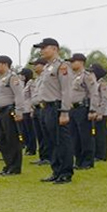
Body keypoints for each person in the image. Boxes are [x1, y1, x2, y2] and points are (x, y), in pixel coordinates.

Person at [34, 38, 75, 184]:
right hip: (46, 107)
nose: (42, 50)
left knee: (62, 141)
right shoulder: (47, 67)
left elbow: (66, 90)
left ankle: (65, 172)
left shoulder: (62, 66)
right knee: (51, 141)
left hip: (57, 107)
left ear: (55, 49)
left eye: (45, 47)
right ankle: (56, 170)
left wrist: (64, 111)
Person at [0, 55, 26, 175]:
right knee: (3, 140)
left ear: (4, 64)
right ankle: (8, 165)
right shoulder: (1, 79)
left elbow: (19, 95)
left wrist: (19, 111)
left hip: (9, 111)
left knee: (12, 139)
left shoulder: (12, 78)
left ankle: (15, 167)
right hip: (0, 112)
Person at [67, 53, 101, 170]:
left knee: (85, 136)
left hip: (83, 108)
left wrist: (93, 109)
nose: (71, 64)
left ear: (81, 62)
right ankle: (79, 160)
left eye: (73, 61)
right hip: (72, 109)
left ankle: (87, 161)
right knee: (74, 137)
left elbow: (94, 93)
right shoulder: (72, 77)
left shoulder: (87, 75)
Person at [29, 59, 52, 166]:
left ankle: (48, 156)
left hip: (44, 107)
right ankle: (43, 156)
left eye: (36, 65)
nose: (34, 67)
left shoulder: (46, 77)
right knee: (40, 134)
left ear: (43, 65)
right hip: (37, 108)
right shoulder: (37, 79)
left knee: (46, 134)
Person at [90, 63, 107, 162]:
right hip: (94, 112)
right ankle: (96, 153)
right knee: (94, 134)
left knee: (101, 135)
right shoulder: (94, 83)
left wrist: (100, 112)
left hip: (101, 113)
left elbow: (104, 99)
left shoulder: (102, 84)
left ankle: (102, 155)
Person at [19, 67, 37, 156]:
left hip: (29, 109)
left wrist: (32, 108)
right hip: (23, 110)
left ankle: (32, 148)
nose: (21, 76)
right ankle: (27, 147)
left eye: (22, 75)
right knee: (24, 130)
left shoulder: (31, 83)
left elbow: (33, 96)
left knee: (30, 130)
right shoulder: (23, 85)